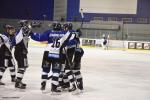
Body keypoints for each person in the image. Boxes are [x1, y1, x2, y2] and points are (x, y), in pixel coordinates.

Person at [13, 20, 32, 89]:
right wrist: (32, 25)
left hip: (21, 51)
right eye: (26, 23)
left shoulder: (20, 30)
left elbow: (28, 32)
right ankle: (18, 83)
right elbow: (29, 30)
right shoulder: (22, 30)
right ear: (23, 24)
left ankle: (19, 80)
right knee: (22, 67)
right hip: (21, 51)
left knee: (23, 67)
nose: (27, 25)